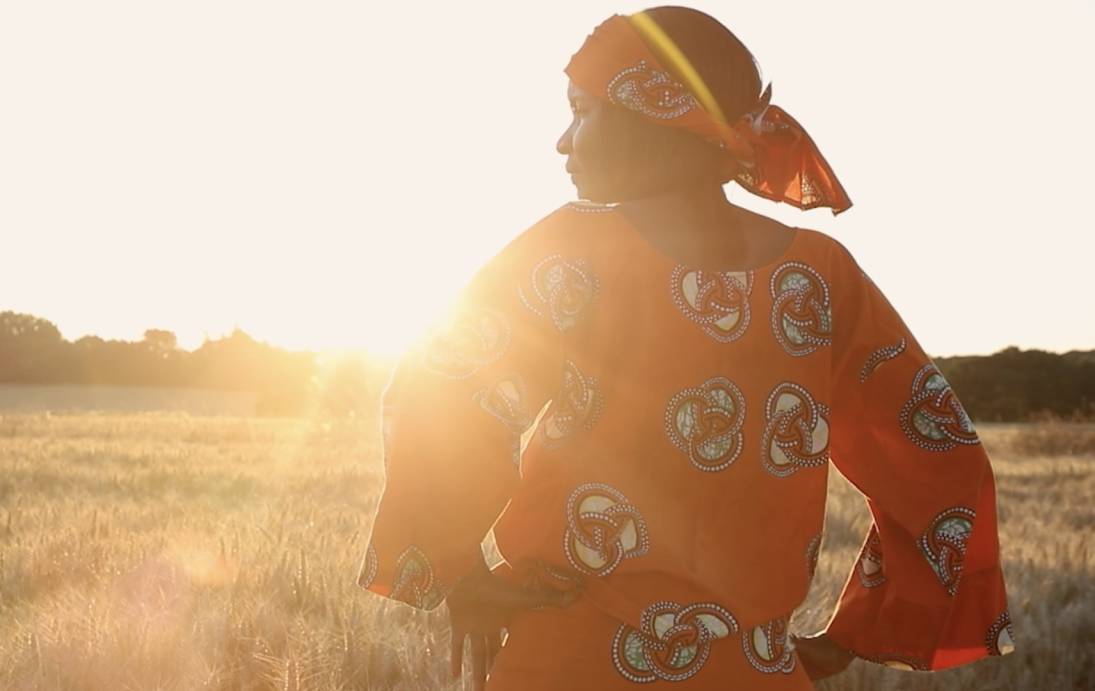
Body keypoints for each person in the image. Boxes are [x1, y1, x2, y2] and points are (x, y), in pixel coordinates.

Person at [356, 6, 1012, 690]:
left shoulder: (573, 250)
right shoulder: (820, 275)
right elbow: (939, 456)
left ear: (651, 114)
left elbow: (440, 385)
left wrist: (452, 567)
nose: (561, 141)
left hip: (571, 660)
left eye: (581, 110)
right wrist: (859, 631)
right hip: (756, 670)